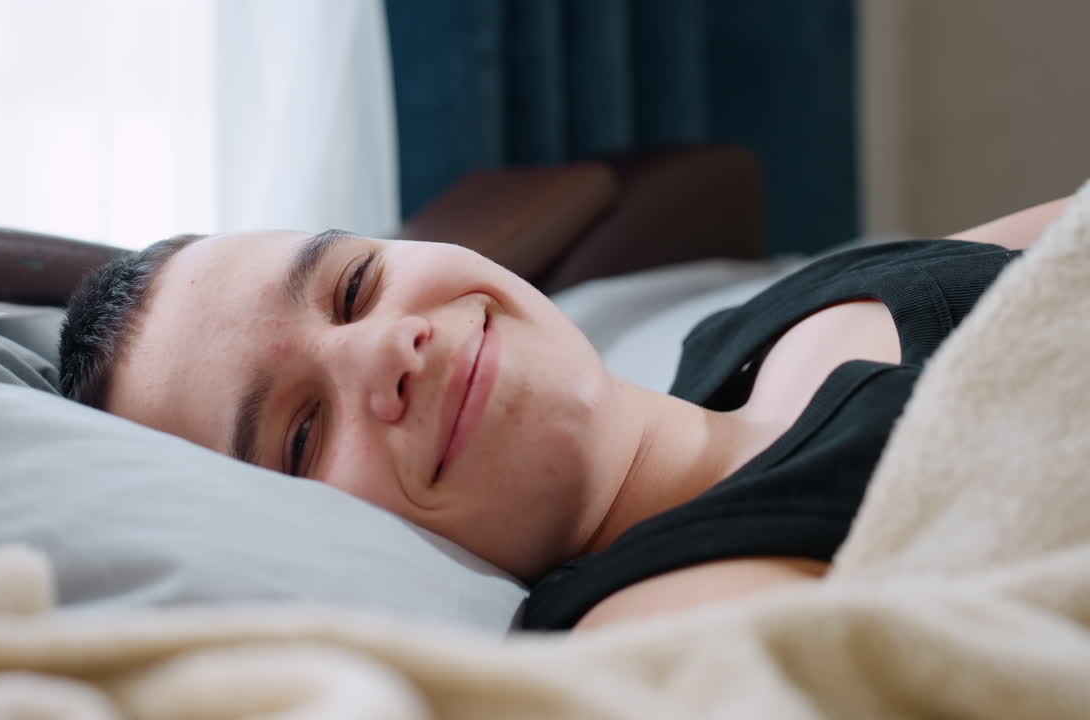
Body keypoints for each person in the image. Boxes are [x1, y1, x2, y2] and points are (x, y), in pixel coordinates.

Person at [59, 197, 1067, 631]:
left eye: (355, 283)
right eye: (302, 434)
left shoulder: (765, 319)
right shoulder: (651, 613)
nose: (384, 348)